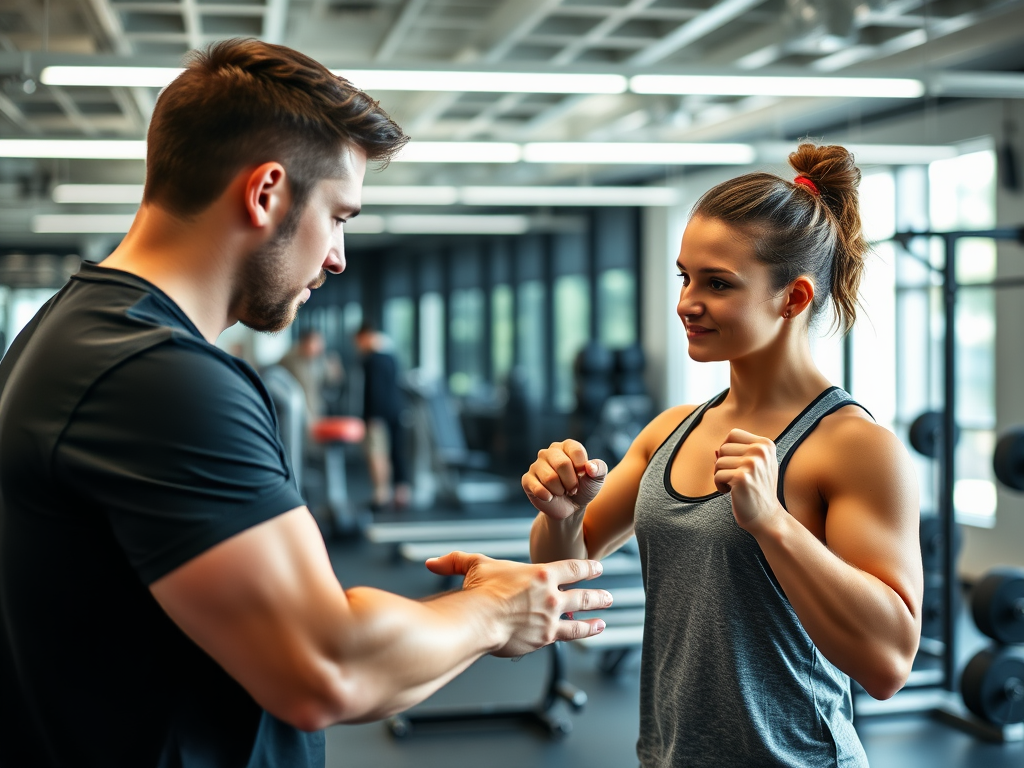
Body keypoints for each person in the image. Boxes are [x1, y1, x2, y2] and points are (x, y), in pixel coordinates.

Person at [0, 39, 611, 768]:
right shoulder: (158, 377)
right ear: (266, 193)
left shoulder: (75, 329)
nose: (338, 258)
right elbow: (330, 669)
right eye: (339, 216)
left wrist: (482, 616)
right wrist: (493, 611)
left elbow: (330, 651)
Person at [523, 144, 923, 767]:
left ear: (793, 298)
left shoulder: (855, 447)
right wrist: (563, 515)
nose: (686, 302)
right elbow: (559, 574)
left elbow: (888, 663)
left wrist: (773, 523)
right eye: (684, 277)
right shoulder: (670, 431)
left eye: (717, 283)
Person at [354, 323, 410, 509]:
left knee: (377, 453)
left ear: (366, 336)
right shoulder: (391, 356)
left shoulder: (372, 360)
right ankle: (401, 493)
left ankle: (381, 494)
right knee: (396, 452)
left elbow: (374, 391)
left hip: (378, 415)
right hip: (396, 410)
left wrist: (372, 416)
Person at [278, 328, 344, 422]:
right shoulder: (289, 359)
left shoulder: (319, 359)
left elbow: (332, 380)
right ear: (306, 342)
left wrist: (336, 368)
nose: (320, 346)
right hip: (296, 412)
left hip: (316, 410)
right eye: (317, 342)